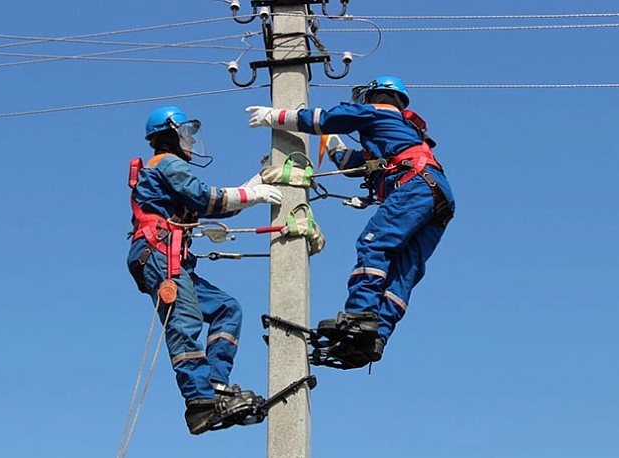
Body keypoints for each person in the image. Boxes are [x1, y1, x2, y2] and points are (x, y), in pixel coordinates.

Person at [246, 76, 455, 369]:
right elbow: (349, 164)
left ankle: (360, 316)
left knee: (373, 244)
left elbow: (328, 118)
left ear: (377, 95)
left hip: (415, 185)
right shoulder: (400, 133)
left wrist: (277, 117)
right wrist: (331, 143)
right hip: (437, 195)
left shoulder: (377, 112)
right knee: (404, 270)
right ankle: (376, 336)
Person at [127, 106, 283, 434]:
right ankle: (199, 402)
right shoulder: (165, 163)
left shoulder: (170, 171)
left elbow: (211, 207)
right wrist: (251, 195)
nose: (191, 141)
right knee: (185, 323)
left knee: (228, 309)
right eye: (186, 134)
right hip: (159, 254)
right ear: (169, 135)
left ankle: (214, 386)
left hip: (171, 257)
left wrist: (253, 186)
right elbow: (204, 198)